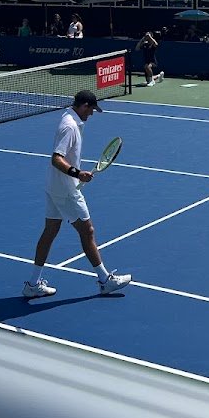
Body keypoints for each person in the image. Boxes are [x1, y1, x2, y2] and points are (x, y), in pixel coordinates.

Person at [23, 90, 133, 299]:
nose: (91, 114)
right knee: (87, 231)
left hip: (55, 186)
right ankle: (105, 280)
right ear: (83, 105)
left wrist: (76, 174)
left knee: (50, 231)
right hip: (65, 189)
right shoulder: (70, 127)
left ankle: (33, 284)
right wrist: (77, 173)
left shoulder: (69, 119)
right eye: (91, 109)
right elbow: (56, 158)